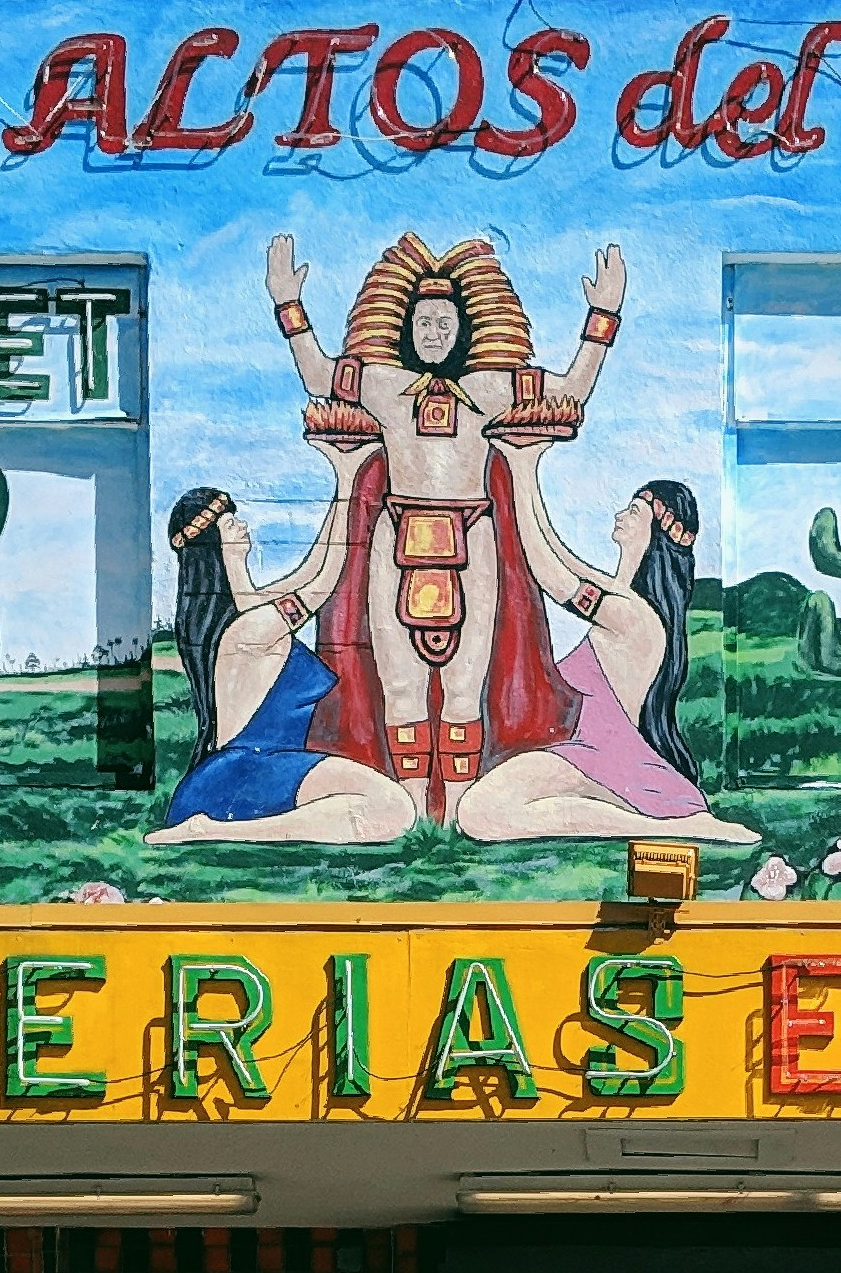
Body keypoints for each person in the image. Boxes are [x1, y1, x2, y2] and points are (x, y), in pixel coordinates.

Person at [262, 230, 623, 821]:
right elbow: (318, 375)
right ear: (404, 327)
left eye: (444, 323)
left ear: (466, 328)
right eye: (423, 322)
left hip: (473, 541)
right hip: (394, 541)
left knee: (463, 688)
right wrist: (288, 303)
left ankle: (454, 812)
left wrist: (602, 317)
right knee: (401, 686)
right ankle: (410, 811)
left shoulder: (493, 386)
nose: (433, 333)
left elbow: (570, 389)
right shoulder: (380, 384)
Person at [458, 463, 756, 843]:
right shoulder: (620, 597)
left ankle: (668, 828)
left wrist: (520, 467)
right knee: (486, 810)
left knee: (480, 812)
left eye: (634, 511)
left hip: (602, 756)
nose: (620, 515)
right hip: (586, 751)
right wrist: (525, 470)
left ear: (657, 529)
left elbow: (547, 571)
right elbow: (556, 551)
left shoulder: (631, 614)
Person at [146, 465, 414, 844]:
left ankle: (220, 829)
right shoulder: (251, 630)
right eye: (229, 523)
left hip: (257, 770)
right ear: (213, 541)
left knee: (387, 807)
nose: (241, 525)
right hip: (247, 773)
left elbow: (311, 569)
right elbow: (324, 581)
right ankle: (216, 831)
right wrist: (348, 481)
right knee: (394, 809)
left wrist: (344, 482)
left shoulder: (251, 618)